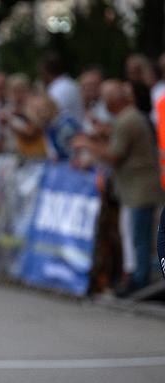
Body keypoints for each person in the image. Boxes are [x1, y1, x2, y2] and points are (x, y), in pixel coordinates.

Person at [72, 80, 164, 296]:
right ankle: (136, 277)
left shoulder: (128, 120)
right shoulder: (126, 119)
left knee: (139, 238)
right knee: (133, 236)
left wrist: (88, 144)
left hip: (141, 189)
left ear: (113, 101)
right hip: (133, 189)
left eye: (106, 99)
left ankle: (141, 281)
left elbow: (114, 154)